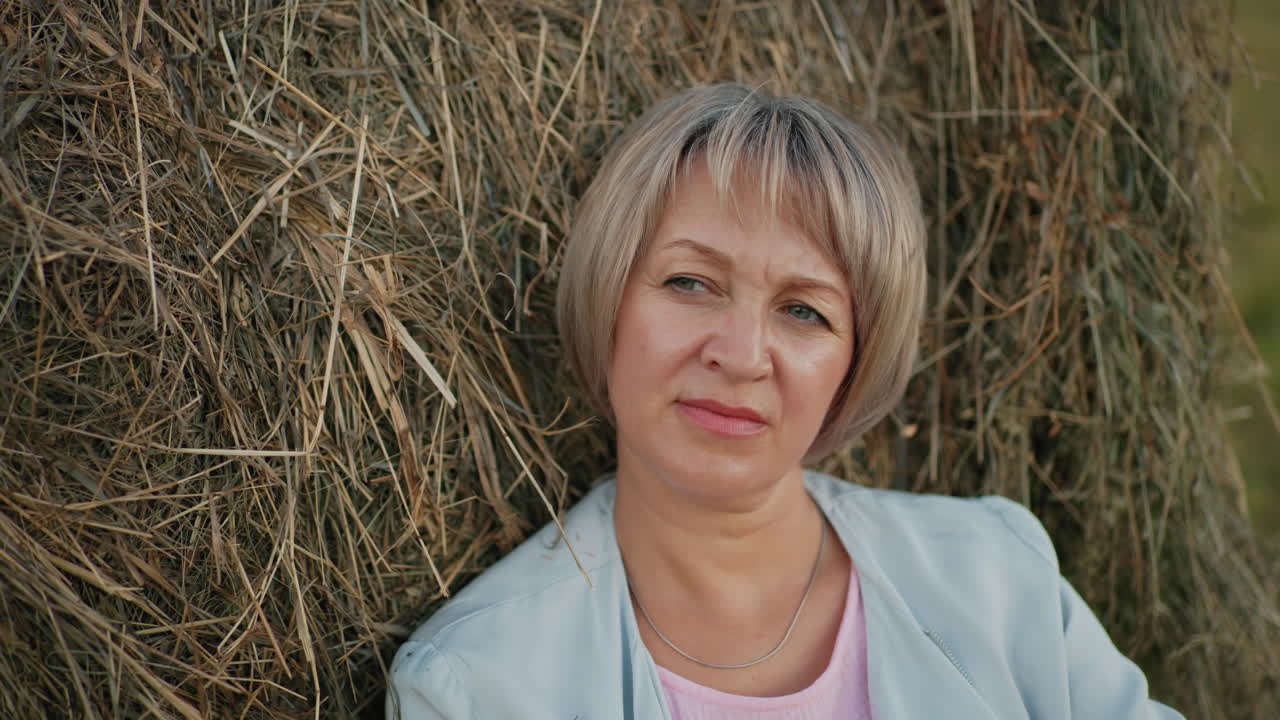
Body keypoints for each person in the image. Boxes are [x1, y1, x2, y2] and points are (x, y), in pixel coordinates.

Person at [386, 83, 1182, 719]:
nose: (740, 356)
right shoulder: (477, 686)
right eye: (690, 282)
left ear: (856, 361)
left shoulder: (1001, 583)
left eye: (804, 311)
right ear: (608, 298)